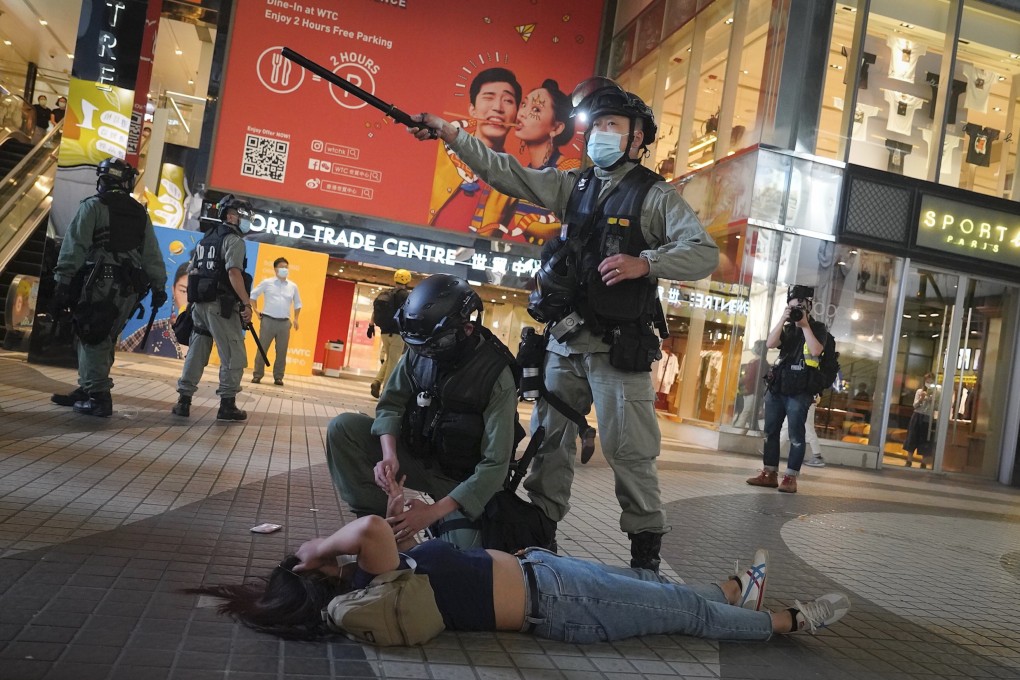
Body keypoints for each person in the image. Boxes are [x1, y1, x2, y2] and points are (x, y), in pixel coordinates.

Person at [407, 77, 720, 572]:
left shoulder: (656, 197)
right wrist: (450, 132)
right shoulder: (573, 184)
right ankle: (540, 542)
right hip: (564, 343)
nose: (600, 133)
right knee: (549, 447)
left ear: (638, 137)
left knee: (628, 453)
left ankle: (645, 557)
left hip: (620, 351)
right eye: (595, 125)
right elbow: (504, 171)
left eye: (612, 125)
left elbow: (704, 252)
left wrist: (647, 263)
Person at [187, 514, 851, 643]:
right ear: (318, 575)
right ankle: (787, 622)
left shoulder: (379, 579)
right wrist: (314, 545)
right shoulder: (368, 581)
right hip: (558, 604)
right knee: (684, 615)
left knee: (672, 597)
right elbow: (365, 528)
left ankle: (742, 594)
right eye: (313, 564)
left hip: (547, 577)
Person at [327, 274, 520, 550]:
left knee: (457, 560)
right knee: (343, 428)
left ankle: (441, 530)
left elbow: (494, 466)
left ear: (466, 328)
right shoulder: (423, 348)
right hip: (419, 458)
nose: (426, 353)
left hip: (462, 481)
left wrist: (431, 513)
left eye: (434, 346)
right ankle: (377, 525)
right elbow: (391, 403)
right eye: (419, 347)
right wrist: (389, 455)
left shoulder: (496, 375)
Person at [49, 158, 167, 417]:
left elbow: (74, 246)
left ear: (102, 179)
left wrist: (62, 282)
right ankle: (87, 387)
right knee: (104, 336)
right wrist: (159, 286)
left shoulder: (93, 206)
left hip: (98, 283)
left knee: (92, 334)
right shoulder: (140, 213)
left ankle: (99, 397)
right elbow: (152, 255)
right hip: (129, 289)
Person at [170, 195, 254, 421]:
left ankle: (183, 401)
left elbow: (192, 269)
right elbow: (234, 273)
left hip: (200, 305)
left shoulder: (205, 240)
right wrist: (246, 303)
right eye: (242, 215)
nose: (246, 220)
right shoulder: (234, 240)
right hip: (222, 306)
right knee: (233, 354)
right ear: (229, 216)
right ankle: (227, 405)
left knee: (196, 353)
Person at [747, 285, 828, 493]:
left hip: (801, 390)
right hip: (779, 386)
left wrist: (805, 325)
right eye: (791, 308)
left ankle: (790, 477)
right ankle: (769, 473)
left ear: (809, 306)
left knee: (796, 435)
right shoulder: (788, 328)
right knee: (771, 431)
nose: (795, 311)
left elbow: (817, 350)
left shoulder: (818, 328)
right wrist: (783, 319)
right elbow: (771, 344)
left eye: (799, 307)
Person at [428, 68, 521, 236]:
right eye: (488, 97)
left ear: (516, 115)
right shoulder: (442, 150)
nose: (497, 108)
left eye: (508, 100)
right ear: (472, 109)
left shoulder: (513, 181)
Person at [511, 79, 579, 245]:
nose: (521, 114)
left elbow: (568, 225)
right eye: (524, 104)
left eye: (535, 109)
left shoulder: (568, 171)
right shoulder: (523, 173)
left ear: (556, 128)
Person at [118, 262, 190, 359]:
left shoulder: (212, 331)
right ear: (173, 290)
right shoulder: (156, 328)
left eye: (194, 291)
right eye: (183, 291)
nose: (189, 298)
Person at [250, 257, 302, 386]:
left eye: (286, 267)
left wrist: (296, 319)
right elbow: (253, 296)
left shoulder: (293, 286)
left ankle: (278, 377)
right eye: (282, 267)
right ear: (275, 269)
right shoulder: (267, 283)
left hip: (284, 323)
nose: (284, 269)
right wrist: (256, 311)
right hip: (268, 320)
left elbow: (298, 303)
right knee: (262, 349)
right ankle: (257, 375)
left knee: (282, 351)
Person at [367, 269, 412, 399]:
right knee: (393, 362)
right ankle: (385, 392)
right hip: (397, 333)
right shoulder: (406, 296)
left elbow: (375, 311)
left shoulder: (386, 293)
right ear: (407, 280)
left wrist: (371, 325)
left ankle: (377, 381)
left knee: (389, 359)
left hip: (384, 332)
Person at [904, 372, 939, 468]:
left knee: (925, 438)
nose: (929, 382)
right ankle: (909, 461)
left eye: (931, 380)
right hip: (917, 415)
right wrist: (921, 400)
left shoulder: (937, 393)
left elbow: (937, 408)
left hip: (928, 416)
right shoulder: (920, 391)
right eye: (927, 380)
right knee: (912, 436)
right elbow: (914, 406)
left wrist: (932, 401)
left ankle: (923, 462)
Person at [732, 340, 766, 428]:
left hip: (751, 391)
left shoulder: (755, 363)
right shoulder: (761, 362)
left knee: (747, 411)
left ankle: (739, 427)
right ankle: (753, 427)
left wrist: (744, 385)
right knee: (750, 412)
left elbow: (749, 378)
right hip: (754, 391)